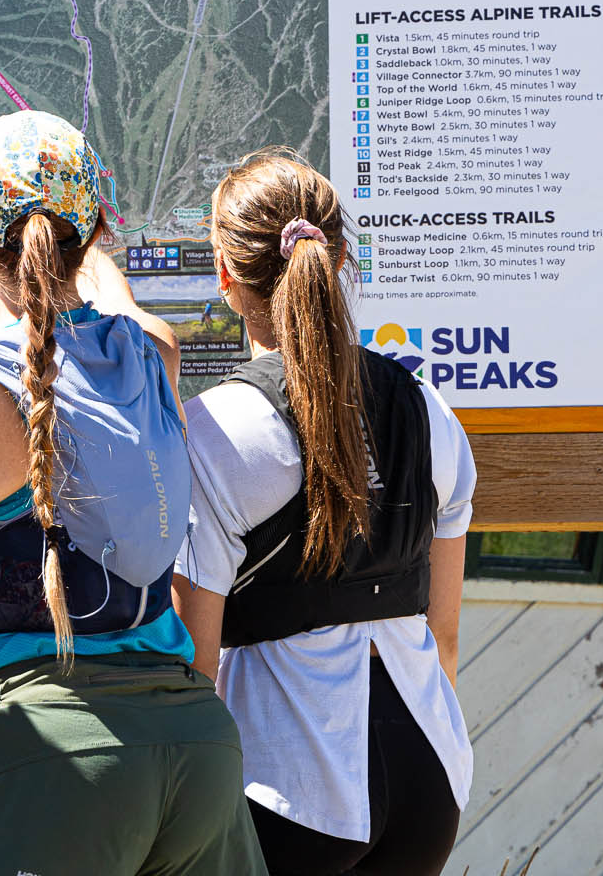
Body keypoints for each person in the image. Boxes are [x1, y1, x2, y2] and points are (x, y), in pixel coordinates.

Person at [0, 110, 267, 876]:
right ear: (96, 235)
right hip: (195, 748)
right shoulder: (153, 355)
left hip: (48, 756)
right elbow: (114, 308)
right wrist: (83, 248)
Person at [172, 148, 477, 876]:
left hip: (286, 781)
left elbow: (194, 669)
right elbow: (443, 638)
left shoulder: (214, 433)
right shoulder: (428, 410)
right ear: (340, 258)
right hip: (427, 778)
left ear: (225, 276)